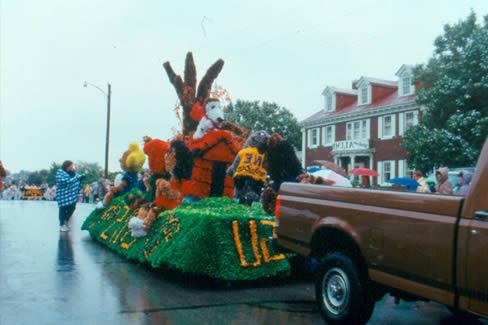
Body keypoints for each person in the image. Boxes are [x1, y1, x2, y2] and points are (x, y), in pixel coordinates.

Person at [56, 161, 84, 232]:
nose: (73, 167)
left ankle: (66, 220)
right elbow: (66, 181)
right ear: (68, 166)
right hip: (62, 195)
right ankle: (62, 224)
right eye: (72, 165)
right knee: (62, 209)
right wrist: (76, 178)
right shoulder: (60, 173)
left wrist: (81, 178)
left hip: (71, 196)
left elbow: (76, 180)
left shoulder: (73, 174)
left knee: (73, 207)